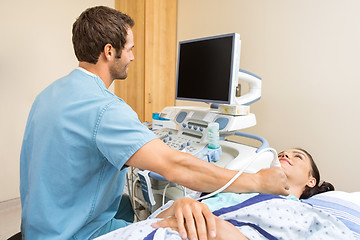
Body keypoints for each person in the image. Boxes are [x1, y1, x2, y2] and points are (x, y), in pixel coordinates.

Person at [19, 6, 289, 240]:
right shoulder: (105, 108)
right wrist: (257, 181)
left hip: (39, 226)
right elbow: (174, 165)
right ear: (109, 51)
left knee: (135, 205)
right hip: (75, 233)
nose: (133, 57)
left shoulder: (49, 94)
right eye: (130, 49)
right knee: (179, 221)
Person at [151, 148, 335, 240]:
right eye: (282, 154)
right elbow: (154, 221)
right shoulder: (231, 191)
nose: (285, 155)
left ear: (311, 181)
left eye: (297, 156)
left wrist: (219, 229)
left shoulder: (304, 214)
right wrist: (179, 205)